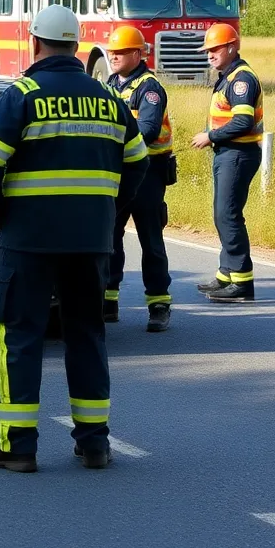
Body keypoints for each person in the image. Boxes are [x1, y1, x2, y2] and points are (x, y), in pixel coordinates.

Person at [0, 5, 148, 473]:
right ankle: (94, 444)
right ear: (77, 46)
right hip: (90, 241)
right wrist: (107, 213)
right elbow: (139, 162)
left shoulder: (22, 95)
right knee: (87, 334)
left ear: (34, 43)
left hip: (29, 239)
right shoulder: (108, 98)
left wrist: (2, 217)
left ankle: (17, 447)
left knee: (18, 336)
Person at [105, 26, 175, 333]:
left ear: (137, 54)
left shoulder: (149, 88)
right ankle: (108, 301)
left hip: (148, 173)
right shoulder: (109, 84)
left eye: (120, 53)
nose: (114, 57)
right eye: (112, 52)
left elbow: (147, 129)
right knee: (110, 237)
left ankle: (158, 305)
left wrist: (111, 142)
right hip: (118, 173)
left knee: (150, 240)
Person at [191, 23, 263, 303]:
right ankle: (226, 275)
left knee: (228, 215)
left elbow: (243, 121)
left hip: (238, 153)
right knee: (223, 214)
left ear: (232, 47)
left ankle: (241, 280)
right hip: (228, 153)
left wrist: (210, 136)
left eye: (215, 49)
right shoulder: (228, 77)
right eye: (207, 50)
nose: (210, 54)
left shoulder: (241, 79)